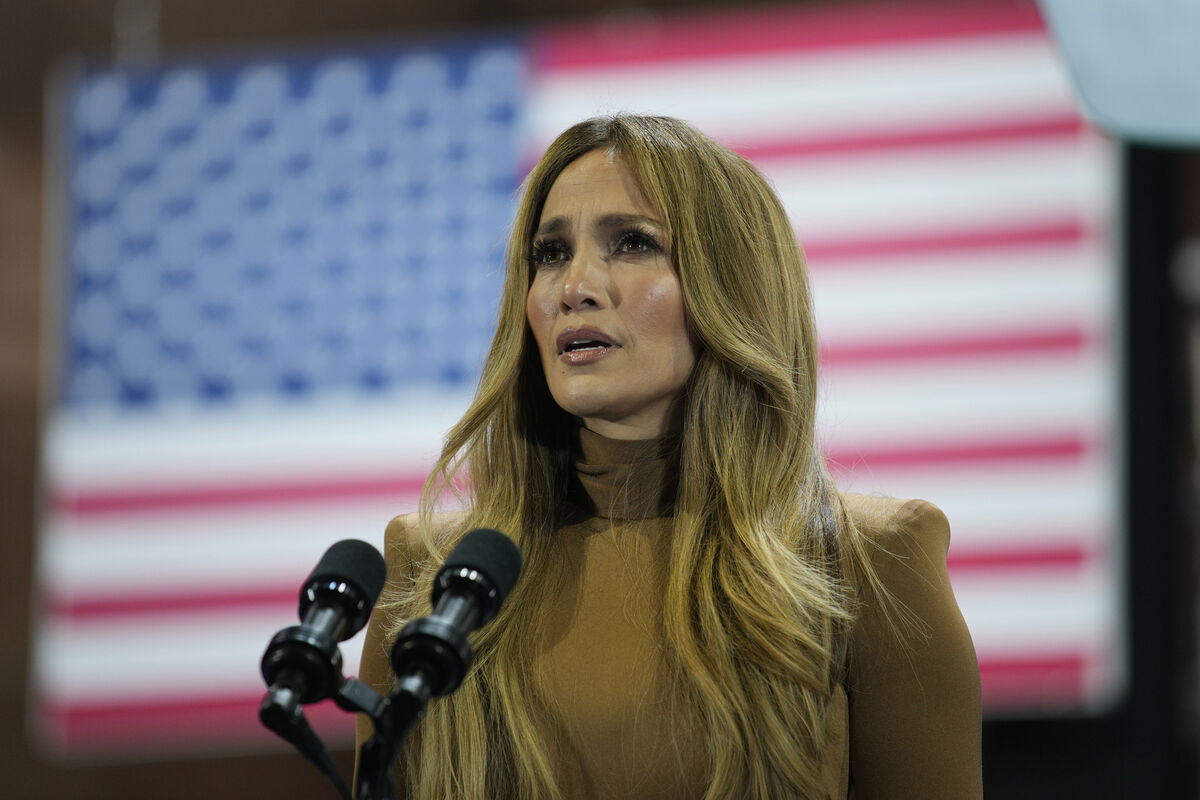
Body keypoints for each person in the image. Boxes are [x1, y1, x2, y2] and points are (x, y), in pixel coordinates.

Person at [356, 114, 982, 799]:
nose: (575, 286)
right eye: (551, 253)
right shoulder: (436, 578)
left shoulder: (869, 563)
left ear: (734, 287)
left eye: (632, 243)